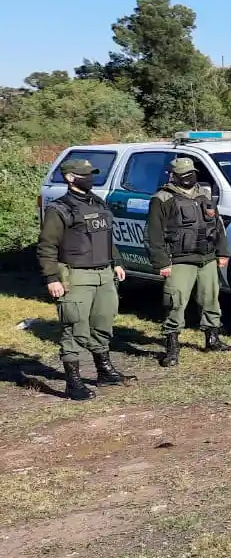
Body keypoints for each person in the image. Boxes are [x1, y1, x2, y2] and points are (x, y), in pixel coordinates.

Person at [36, 159, 133, 400]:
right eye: (84, 174)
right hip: (76, 275)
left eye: (91, 174)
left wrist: (117, 261)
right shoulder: (59, 209)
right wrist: (52, 278)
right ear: (70, 177)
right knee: (75, 328)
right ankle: (73, 382)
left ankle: (104, 371)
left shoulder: (97, 203)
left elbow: (107, 238)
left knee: (103, 323)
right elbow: (47, 246)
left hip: (104, 274)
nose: (90, 178)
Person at [147, 157, 231, 367]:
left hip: (207, 258)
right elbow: (153, 235)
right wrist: (161, 263)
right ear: (174, 176)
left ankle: (212, 339)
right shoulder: (162, 198)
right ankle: (171, 347)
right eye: (184, 174)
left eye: (192, 173)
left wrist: (222, 253)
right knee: (175, 302)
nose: (189, 177)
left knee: (211, 299)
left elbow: (218, 225)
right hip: (178, 260)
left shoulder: (204, 194)